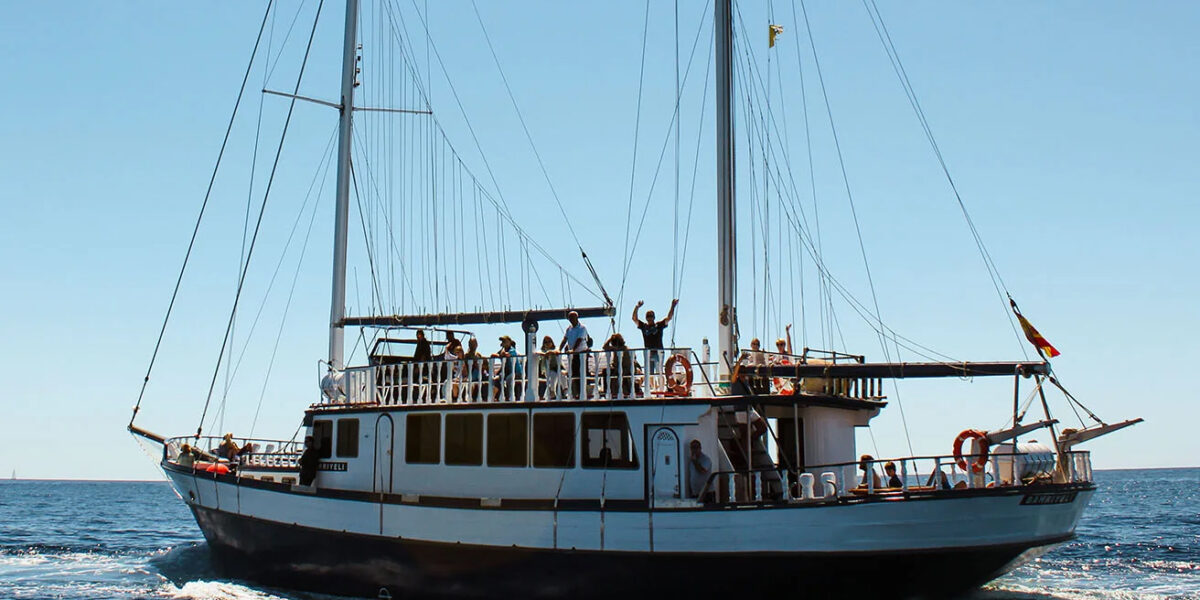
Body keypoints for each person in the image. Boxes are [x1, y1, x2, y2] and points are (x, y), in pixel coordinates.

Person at [632, 298, 679, 374]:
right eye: (648, 316)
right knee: (649, 373)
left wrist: (673, 306)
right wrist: (637, 307)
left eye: (651, 316)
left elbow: (669, 318)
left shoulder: (659, 325)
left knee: (659, 371)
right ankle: (651, 386)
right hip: (648, 353)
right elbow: (634, 319)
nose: (649, 318)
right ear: (646, 318)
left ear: (654, 317)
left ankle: (660, 384)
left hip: (658, 352)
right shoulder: (644, 326)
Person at [559, 311, 590, 398]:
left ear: (577, 318)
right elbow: (565, 339)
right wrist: (559, 349)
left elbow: (579, 340)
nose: (571, 320)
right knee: (574, 374)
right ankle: (576, 392)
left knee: (582, 373)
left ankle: (582, 393)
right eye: (570, 318)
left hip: (581, 354)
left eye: (573, 317)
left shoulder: (582, 328)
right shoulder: (569, 329)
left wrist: (573, 350)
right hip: (573, 355)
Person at [602, 333, 636, 398]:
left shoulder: (625, 350)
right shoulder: (616, 348)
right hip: (617, 369)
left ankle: (609, 391)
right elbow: (604, 347)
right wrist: (610, 338)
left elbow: (627, 364)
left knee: (609, 373)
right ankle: (607, 391)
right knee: (606, 371)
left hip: (624, 370)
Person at [493, 335, 524, 400]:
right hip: (508, 372)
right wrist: (499, 354)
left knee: (509, 378)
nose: (503, 343)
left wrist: (501, 354)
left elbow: (507, 354)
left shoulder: (512, 350)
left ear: (509, 342)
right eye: (502, 341)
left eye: (505, 341)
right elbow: (494, 354)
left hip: (516, 372)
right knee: (496, 379)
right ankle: (496, 396)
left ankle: (510, 397)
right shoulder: (503, 350)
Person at [538, 335, 563, 400]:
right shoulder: (543, 351)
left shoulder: (555, 349)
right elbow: (537, 352)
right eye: (546, 342)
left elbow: (558, 351)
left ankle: (564, 391)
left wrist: (550, 352)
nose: (548, 343)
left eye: (549, 341)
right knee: (552, 377)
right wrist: (544, 354)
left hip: (558, 367)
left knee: (562, 375)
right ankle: (552, 393)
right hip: (549, 369)